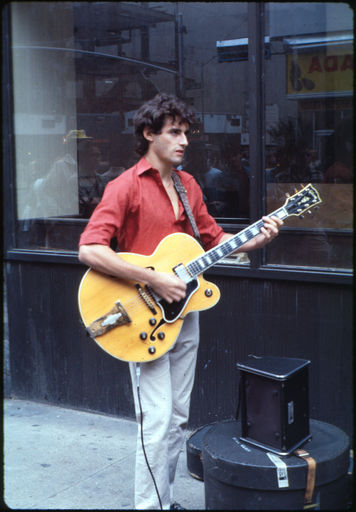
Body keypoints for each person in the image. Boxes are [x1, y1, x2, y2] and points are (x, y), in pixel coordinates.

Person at [78, 93, 283, 510]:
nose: (184, 140)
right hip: (141, 319)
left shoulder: (188, 185)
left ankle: (163, 500)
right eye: (174, 132)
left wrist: (254, 239)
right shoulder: (125, 186)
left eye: (186, 132)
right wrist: (153, 278)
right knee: (154, 423)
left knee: (177, 420)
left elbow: (214, 240)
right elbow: (90, 249)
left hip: (185, 313)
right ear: (149, 133)